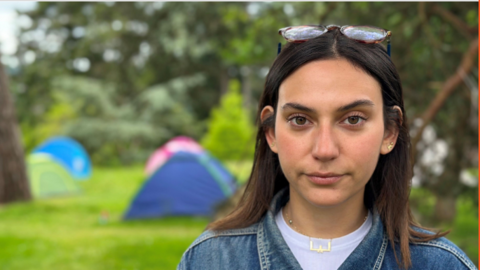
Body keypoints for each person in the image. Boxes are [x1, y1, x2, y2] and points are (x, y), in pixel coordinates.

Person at [177, 25, 477, 270]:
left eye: (353, 119)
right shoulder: (210, 260)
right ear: (271, 133)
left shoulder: (440, 265)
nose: (324, 149)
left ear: (390, 131)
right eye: (299, 120)